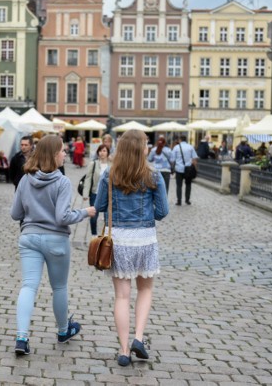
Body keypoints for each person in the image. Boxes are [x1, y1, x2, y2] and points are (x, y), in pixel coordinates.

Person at [10, 135, 96, 356]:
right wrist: (85, 212)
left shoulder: (25, 180)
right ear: (53, 154)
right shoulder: (62, 182)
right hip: (56, 240)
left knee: (29, 286)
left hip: (29, 238)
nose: (65, 154)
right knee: (58, 287)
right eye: (63, 151)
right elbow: (62, 217)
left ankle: (21, 337)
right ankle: (63, 331)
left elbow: (15, 214)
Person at [94, 130, 169, 367]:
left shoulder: (109, 174)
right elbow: (162, 212)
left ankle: (124, 350)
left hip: (120, 240)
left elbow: (99, 206)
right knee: (145, 290)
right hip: (145, 239)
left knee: (122, 296)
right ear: (140, 149)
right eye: (146, 144)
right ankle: (138, 337)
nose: (147, 147)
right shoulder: (154, 175)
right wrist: (147, 214)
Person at [83, 144, 111, 235]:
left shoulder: (111, 165)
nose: (102, 153)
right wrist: (85, 194)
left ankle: (106, 236)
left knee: (108, 217)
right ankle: (94, 236)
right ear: (98, 152)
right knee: (94, 216)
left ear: (107, 153)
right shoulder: (93, 164)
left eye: (104, 151)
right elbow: (88, 178)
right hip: (95, 193)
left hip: (108, 195)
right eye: (100, 151)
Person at [170, 135, 198, 206]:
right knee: (188, 185)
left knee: (179, 185)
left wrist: (172, 167)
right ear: (186, 140)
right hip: (188, 169)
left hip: (179, 169)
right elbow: (194, 158)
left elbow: (172, 159)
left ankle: (179, 201)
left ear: (180, 140)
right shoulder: (190, 147)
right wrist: (195, 168)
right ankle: (187, 200)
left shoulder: (176, 147)